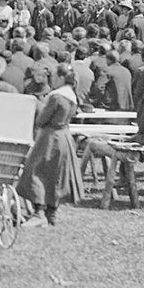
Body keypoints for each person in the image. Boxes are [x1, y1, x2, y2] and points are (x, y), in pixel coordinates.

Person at [16, 65, 84, 227]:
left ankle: (39, 212)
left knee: (36, 171)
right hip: (65, 136)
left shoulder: (56, 97)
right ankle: (51, 213)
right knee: (56, 175)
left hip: (50, 137)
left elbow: (41, 119)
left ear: (60, 77)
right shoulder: (72, 96)